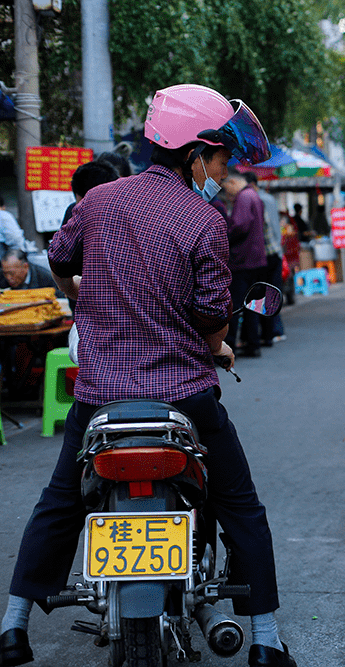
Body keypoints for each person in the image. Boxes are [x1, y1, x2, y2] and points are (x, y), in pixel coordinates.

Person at [0, 84, 295, 667]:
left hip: (102, 394)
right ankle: (264, 639)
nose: (222, 171)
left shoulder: (98, 201)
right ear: (194, 155)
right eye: (219, 159)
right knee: (239, 503)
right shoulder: (203, 220)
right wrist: (219, 347)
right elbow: (212, 315)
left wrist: (82, 298)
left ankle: (13, 628)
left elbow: (61, 260)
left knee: (61, 500)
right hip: (183, 396)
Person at [221, 167, 268, 359]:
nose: (226, 193)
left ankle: (230, 345)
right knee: (253, 306)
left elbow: (240, 224)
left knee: (236, 306)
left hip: (243, 260)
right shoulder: (254, 195)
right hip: (257, 259)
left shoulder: (243, 197)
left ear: (233, 182)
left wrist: (226, 236)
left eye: (226, 187)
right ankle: (253, 343)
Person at [246, 172, 286, 344]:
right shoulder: (268, 198)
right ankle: (273, 331)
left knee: (263, 293)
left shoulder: (256, 200)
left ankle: (271, 332)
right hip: (275, 251)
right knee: (271, 292)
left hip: (265, 253)